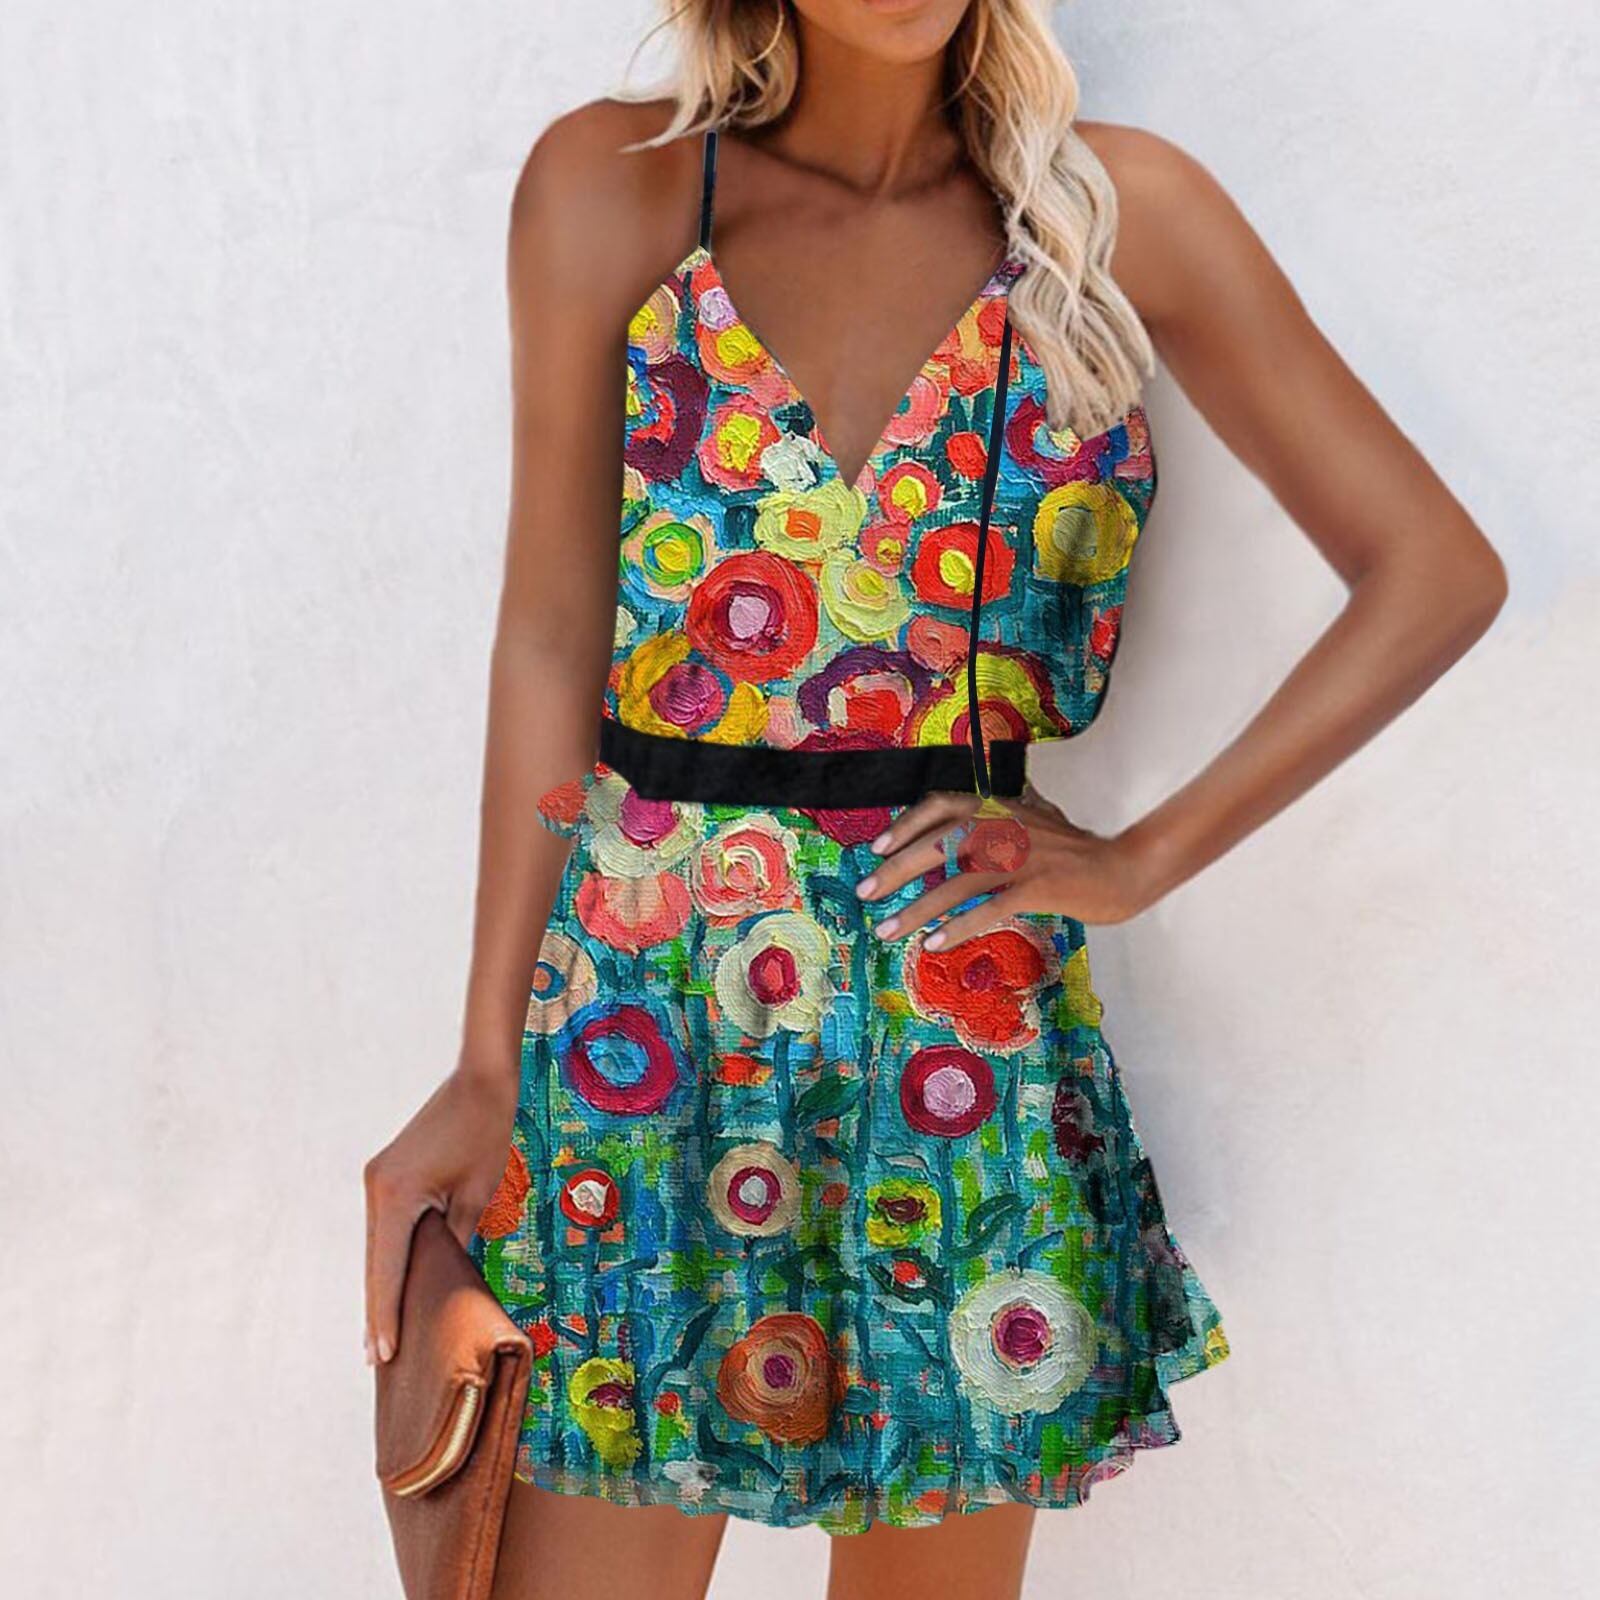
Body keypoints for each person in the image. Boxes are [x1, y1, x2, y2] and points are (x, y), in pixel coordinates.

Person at [362, 3, 1507, 1597]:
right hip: (642, 1020)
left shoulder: (1115, 215)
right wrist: (489, 1059)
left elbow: (1434, 569)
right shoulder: (616, 185)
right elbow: (552, 633)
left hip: (957, 1025)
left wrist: (1141, 861)